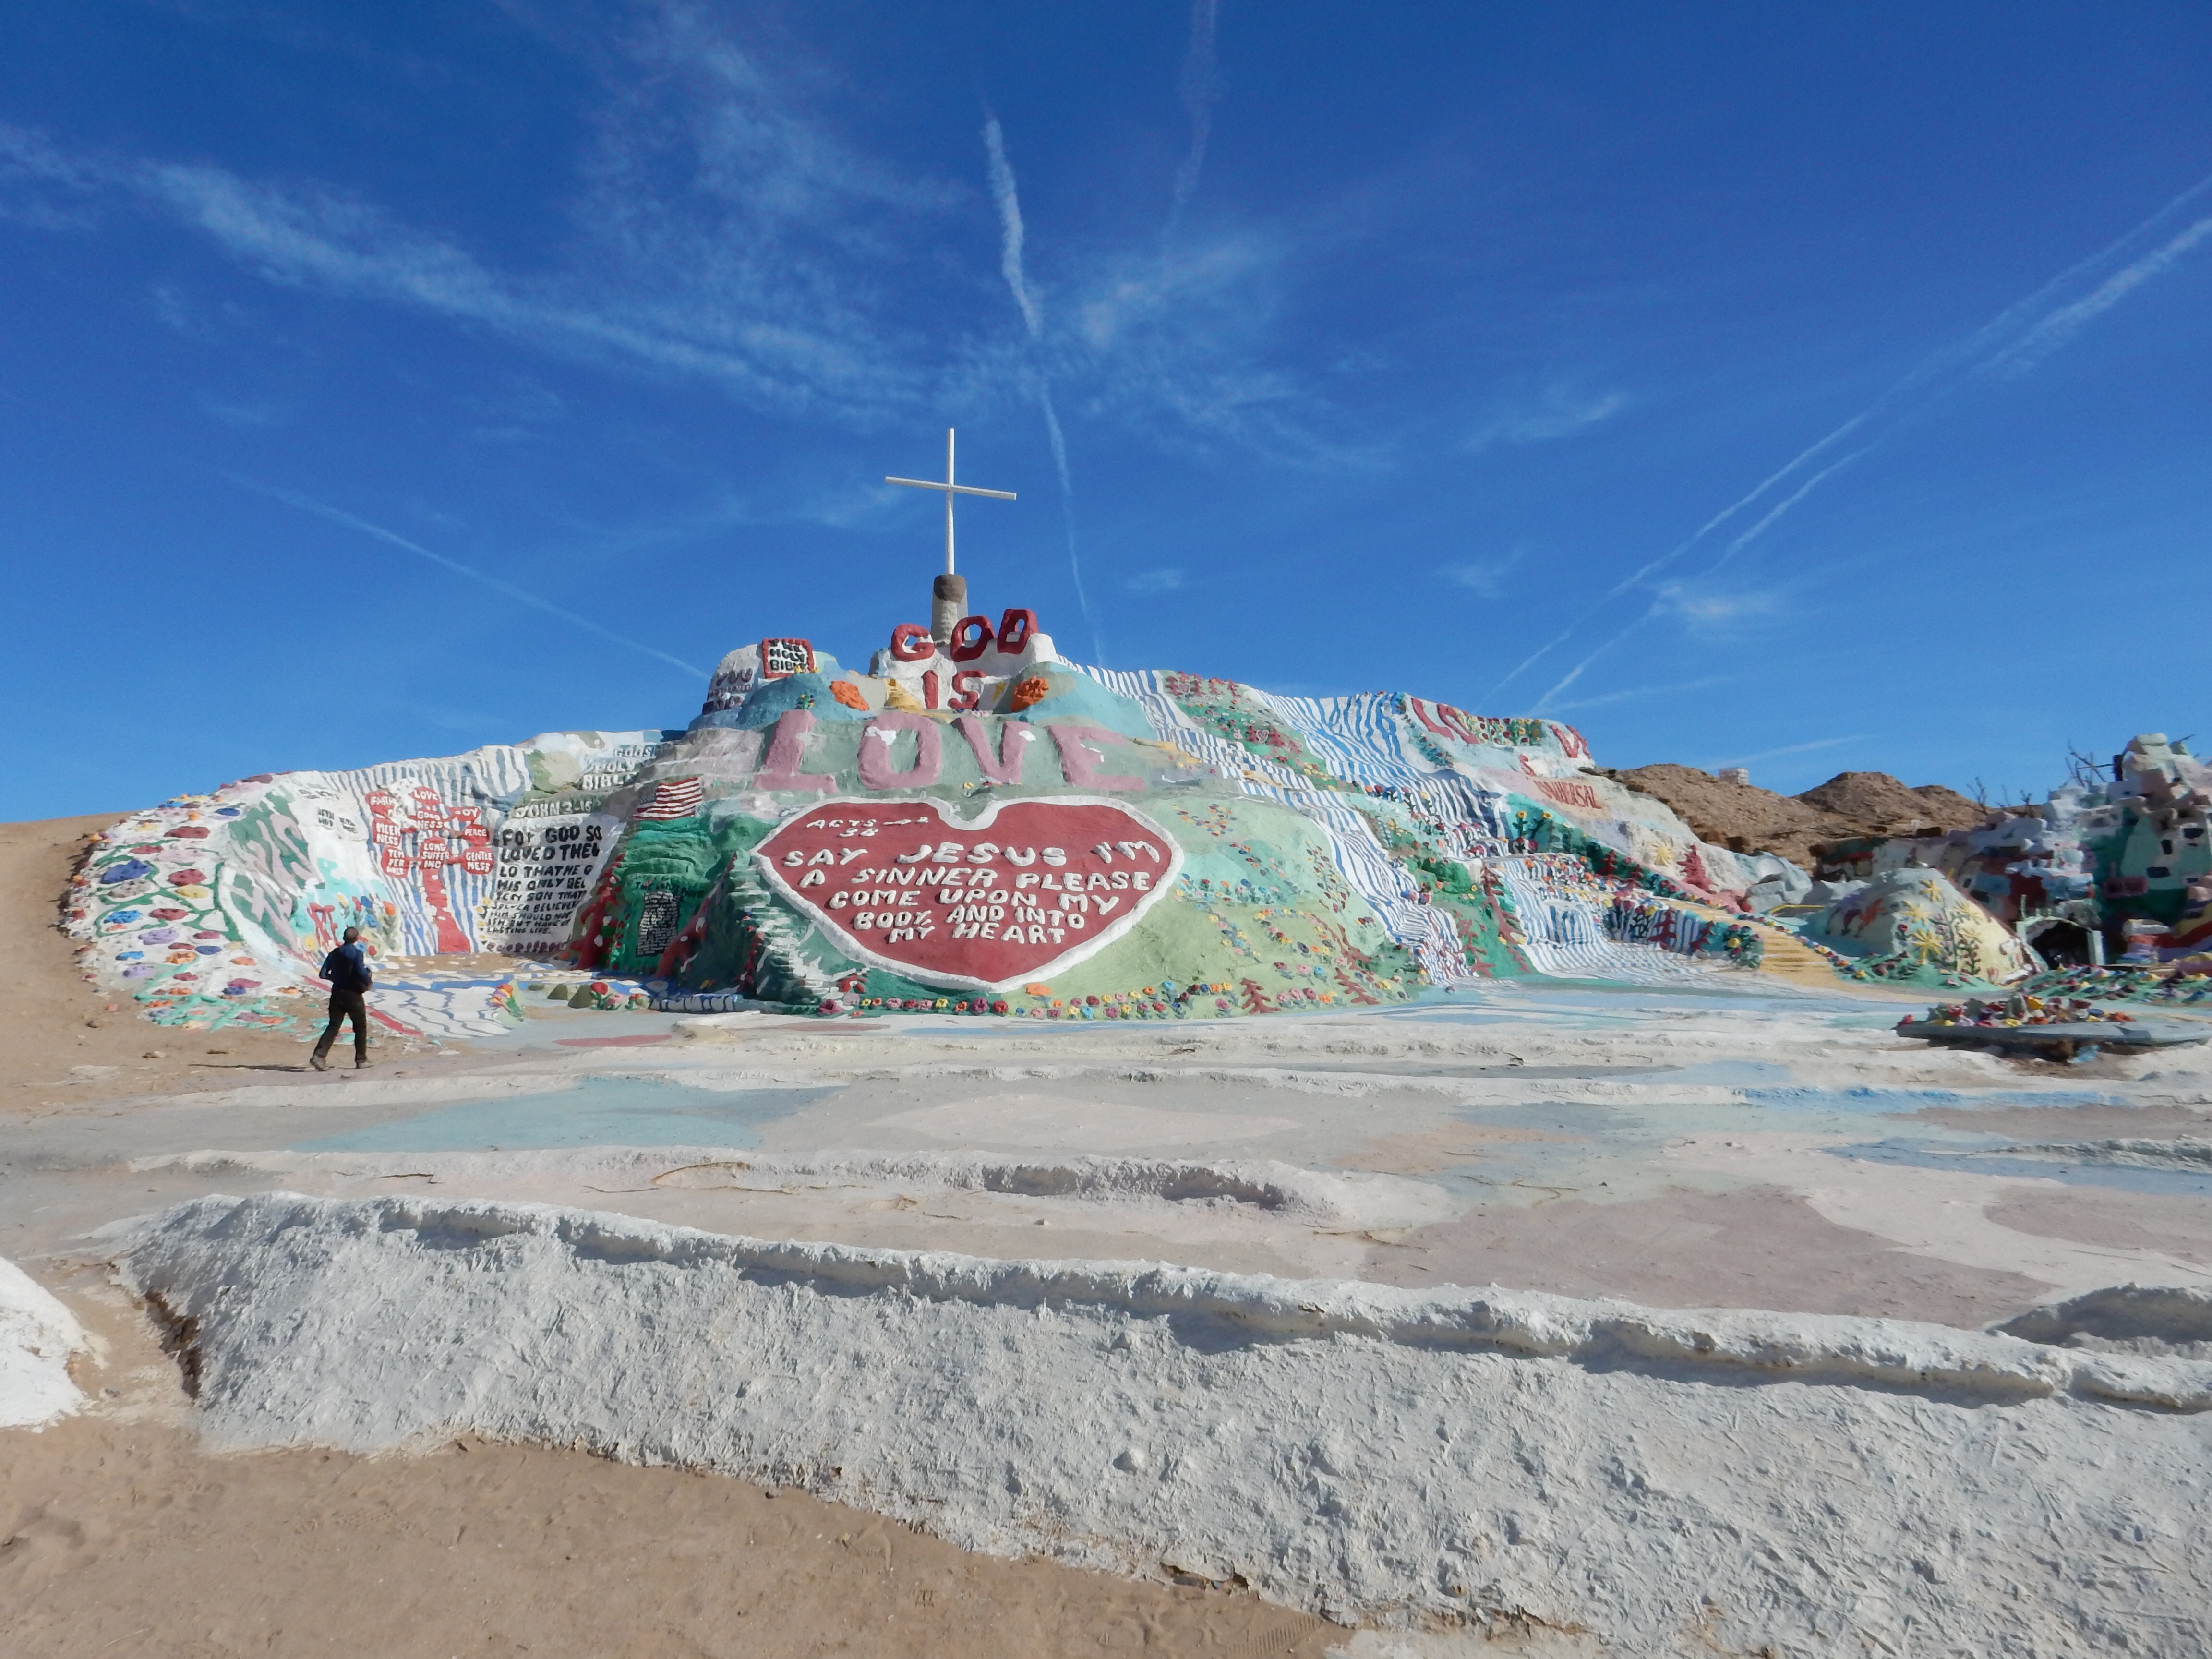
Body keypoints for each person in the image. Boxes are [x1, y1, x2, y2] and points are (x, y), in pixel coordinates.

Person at [311, 926, 374, 1071]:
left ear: (344, 938)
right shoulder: (357, 954)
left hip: (337, 993)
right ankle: (361, 1060)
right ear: (356, 939)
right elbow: (360, 971)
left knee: (333, 1026)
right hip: (353, 995)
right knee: (360, 1027)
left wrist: (337, 978)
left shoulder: (334, 953)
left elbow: (323, 974)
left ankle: (319, 1056)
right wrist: (368, 981)